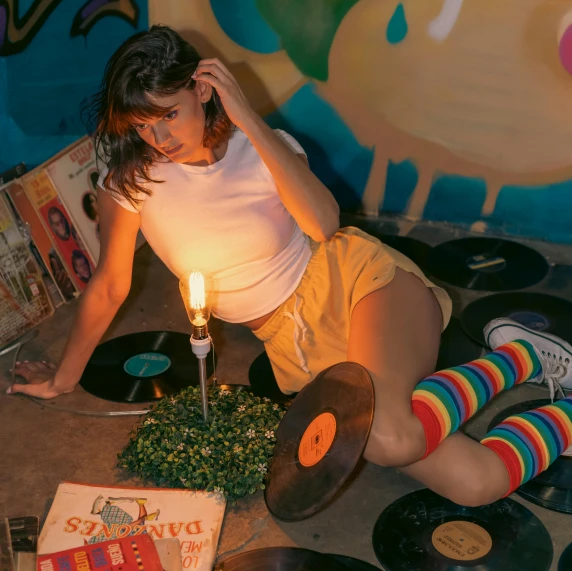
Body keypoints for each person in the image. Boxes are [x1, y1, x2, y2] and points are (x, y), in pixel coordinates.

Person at [9, 26, 572, 508]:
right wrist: (62, 379)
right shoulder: (130, 185)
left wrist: (248, 119)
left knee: (391, 437)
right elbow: (109, 287)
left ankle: (518, 358)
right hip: (295, 344)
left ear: (203, 90)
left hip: (357, 284)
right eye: (140, 126)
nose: (157, 139)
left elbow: (325, 224)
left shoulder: (264, 146)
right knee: (476, 483)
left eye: (168, 116)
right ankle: (549, 397)